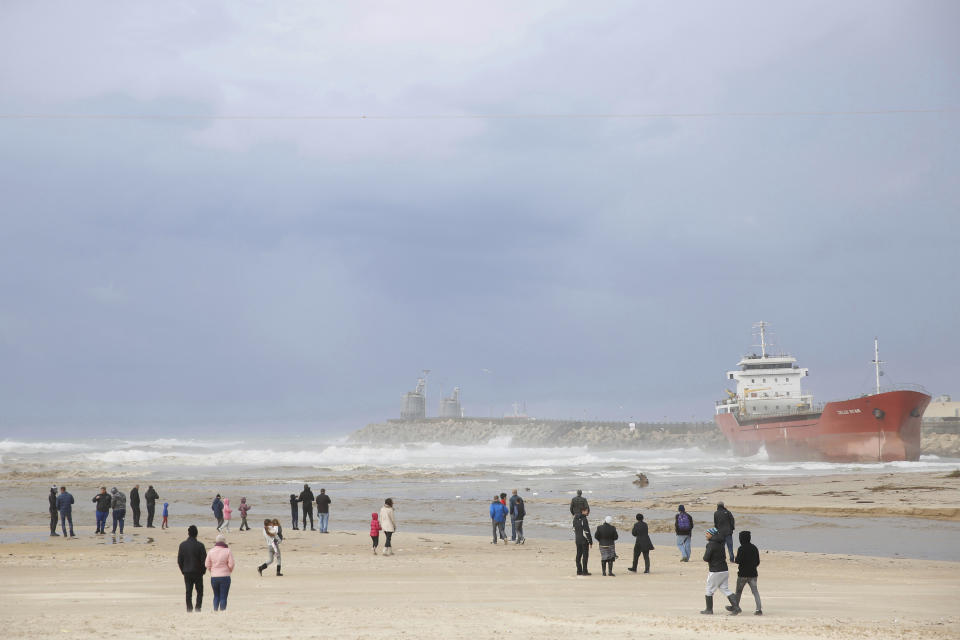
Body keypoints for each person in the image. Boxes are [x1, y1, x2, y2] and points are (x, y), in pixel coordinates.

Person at [701, 527, 738, 615]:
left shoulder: (711, 544)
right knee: (725, 589)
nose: (706, 535)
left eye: (707, 533)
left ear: (712, 534)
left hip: (715, 570)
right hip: (724, 570)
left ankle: (709, 610)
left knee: (709, 590)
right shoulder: (721, 543)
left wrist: (706, 558)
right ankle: (736, 607)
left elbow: (706, 558)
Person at [730, 530, 762, 616]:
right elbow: (757, 562)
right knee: (755, 592)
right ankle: (759, 610)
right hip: (753, 574)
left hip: (742, 574)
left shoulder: (741, 548)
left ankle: (736, 608)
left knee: (738, 592)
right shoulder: (754, 548)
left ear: (741, 539)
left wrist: (736, 558)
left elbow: (737, 561)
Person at [177, 525, 207, 612]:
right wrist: (203, 571)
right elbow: (204, 560)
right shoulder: (200, 545)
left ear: (188, 533)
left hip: (187, 571)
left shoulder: (182, 545)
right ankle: (198, 607)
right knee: (200, 591)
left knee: (188, 591)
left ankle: (189, 608)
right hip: (198, 572)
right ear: (196, 534)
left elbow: (179, 560)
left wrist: (183, 570)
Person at [205, 534, 235, 611]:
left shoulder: (211, 551)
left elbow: (207, 564)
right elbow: (231, 564)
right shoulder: (228, 550)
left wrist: (212, 571)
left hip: (214, 576)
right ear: (224, 542)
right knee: (223, 596)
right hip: (225, 576)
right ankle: (222, 611)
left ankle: (215, 610)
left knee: (216, 595)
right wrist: (229, 570)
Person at [573, 506, 592, 576]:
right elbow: (586, 531)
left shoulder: (575, 518)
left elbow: (574, 529)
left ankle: (579, 571)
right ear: (583, 511)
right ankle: (584, 571)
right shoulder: (584, 519)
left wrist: (577, 535)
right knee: (585, 556)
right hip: (583, 540)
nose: (588, 512)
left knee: (578, 555)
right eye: (587, 511)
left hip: (577, 539)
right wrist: (590, 541)